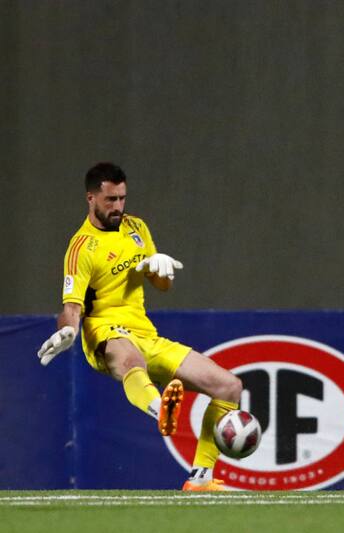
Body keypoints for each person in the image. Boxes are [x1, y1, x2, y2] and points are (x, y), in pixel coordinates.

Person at [37, 162, 244, 491]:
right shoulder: (81, 248)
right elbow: (71, 308)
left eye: (122, 198)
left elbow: (160, 286)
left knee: (229, 386)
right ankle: (160, 407)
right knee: (133, 361)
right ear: (91, 198)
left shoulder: (137, 228)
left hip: (145, 334)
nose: (118, 207)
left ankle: (201, 478)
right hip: (106, 334)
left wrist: (159, 269)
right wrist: (68, 331)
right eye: (110, 200)